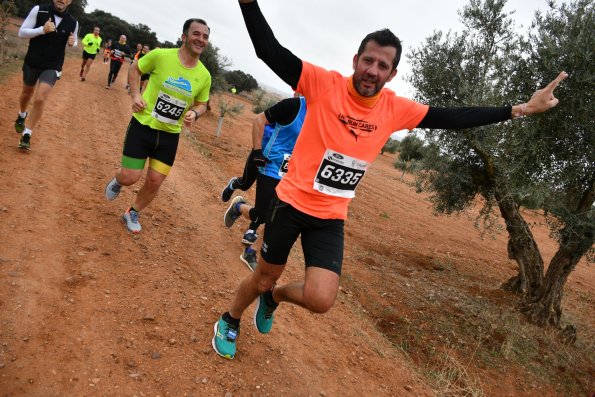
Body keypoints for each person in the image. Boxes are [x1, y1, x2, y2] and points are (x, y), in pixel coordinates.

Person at [211, 0, 568, 360]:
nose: (372, 70)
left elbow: (453, 117)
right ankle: (231, 318)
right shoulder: (323, 84)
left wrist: (518, 109)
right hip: (289, 205)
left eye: (383, 65)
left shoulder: (395, 109)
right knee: (263, 277)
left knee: (320, 299)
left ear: (392, 74)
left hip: (330, 217)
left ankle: (274, 299)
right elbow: (268, 50)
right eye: (368, 60)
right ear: (355, 60)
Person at [103, 19, 211, 233]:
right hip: (143, 125)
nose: (200, 39)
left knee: (154, 181)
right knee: (130, 177)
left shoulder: (204, 75)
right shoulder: (161, 55)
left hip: (170, 135)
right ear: (184, 37)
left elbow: (203, 104)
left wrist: (194, 113)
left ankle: (132, 212)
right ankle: (118, 180)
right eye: (196, 34)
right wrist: (135, 94)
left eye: (205, 36)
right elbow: (135, 69)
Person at [222, 95, 306, 272]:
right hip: (269, 163)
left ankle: (251, 251)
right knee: (254, 199)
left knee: (278, 215)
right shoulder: (293, 106)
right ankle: (239, 206)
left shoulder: (323, 115)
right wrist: (257, 151)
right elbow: (259, 120)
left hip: (291, 170)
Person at [13, 0, 78, 151]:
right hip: (32, 61)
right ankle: (22, 115)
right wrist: (42, 29)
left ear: (70, 1)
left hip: (52, 65)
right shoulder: (39, 10)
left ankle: (27, 134)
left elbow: (73, 41)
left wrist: (72, 43)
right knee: (26, 94)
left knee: (40, 97)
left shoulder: (73, 22)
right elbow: (21, 32)